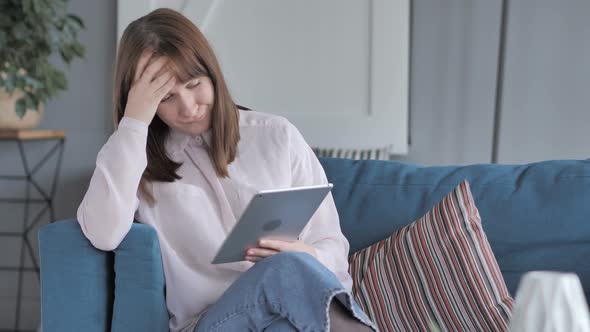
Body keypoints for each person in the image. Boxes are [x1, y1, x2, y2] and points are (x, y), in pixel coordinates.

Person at [77, 8, 377, 332]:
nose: (188, 108)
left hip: (287, 316)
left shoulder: (277, 135)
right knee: (284, 271)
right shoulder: (134, 160)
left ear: (212, 74)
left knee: (287, 291)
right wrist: (134, 123)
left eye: (194, 85)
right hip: (211, 323)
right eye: (165, 98)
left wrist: (306, 255)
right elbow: (103, 233)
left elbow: (332, 246)